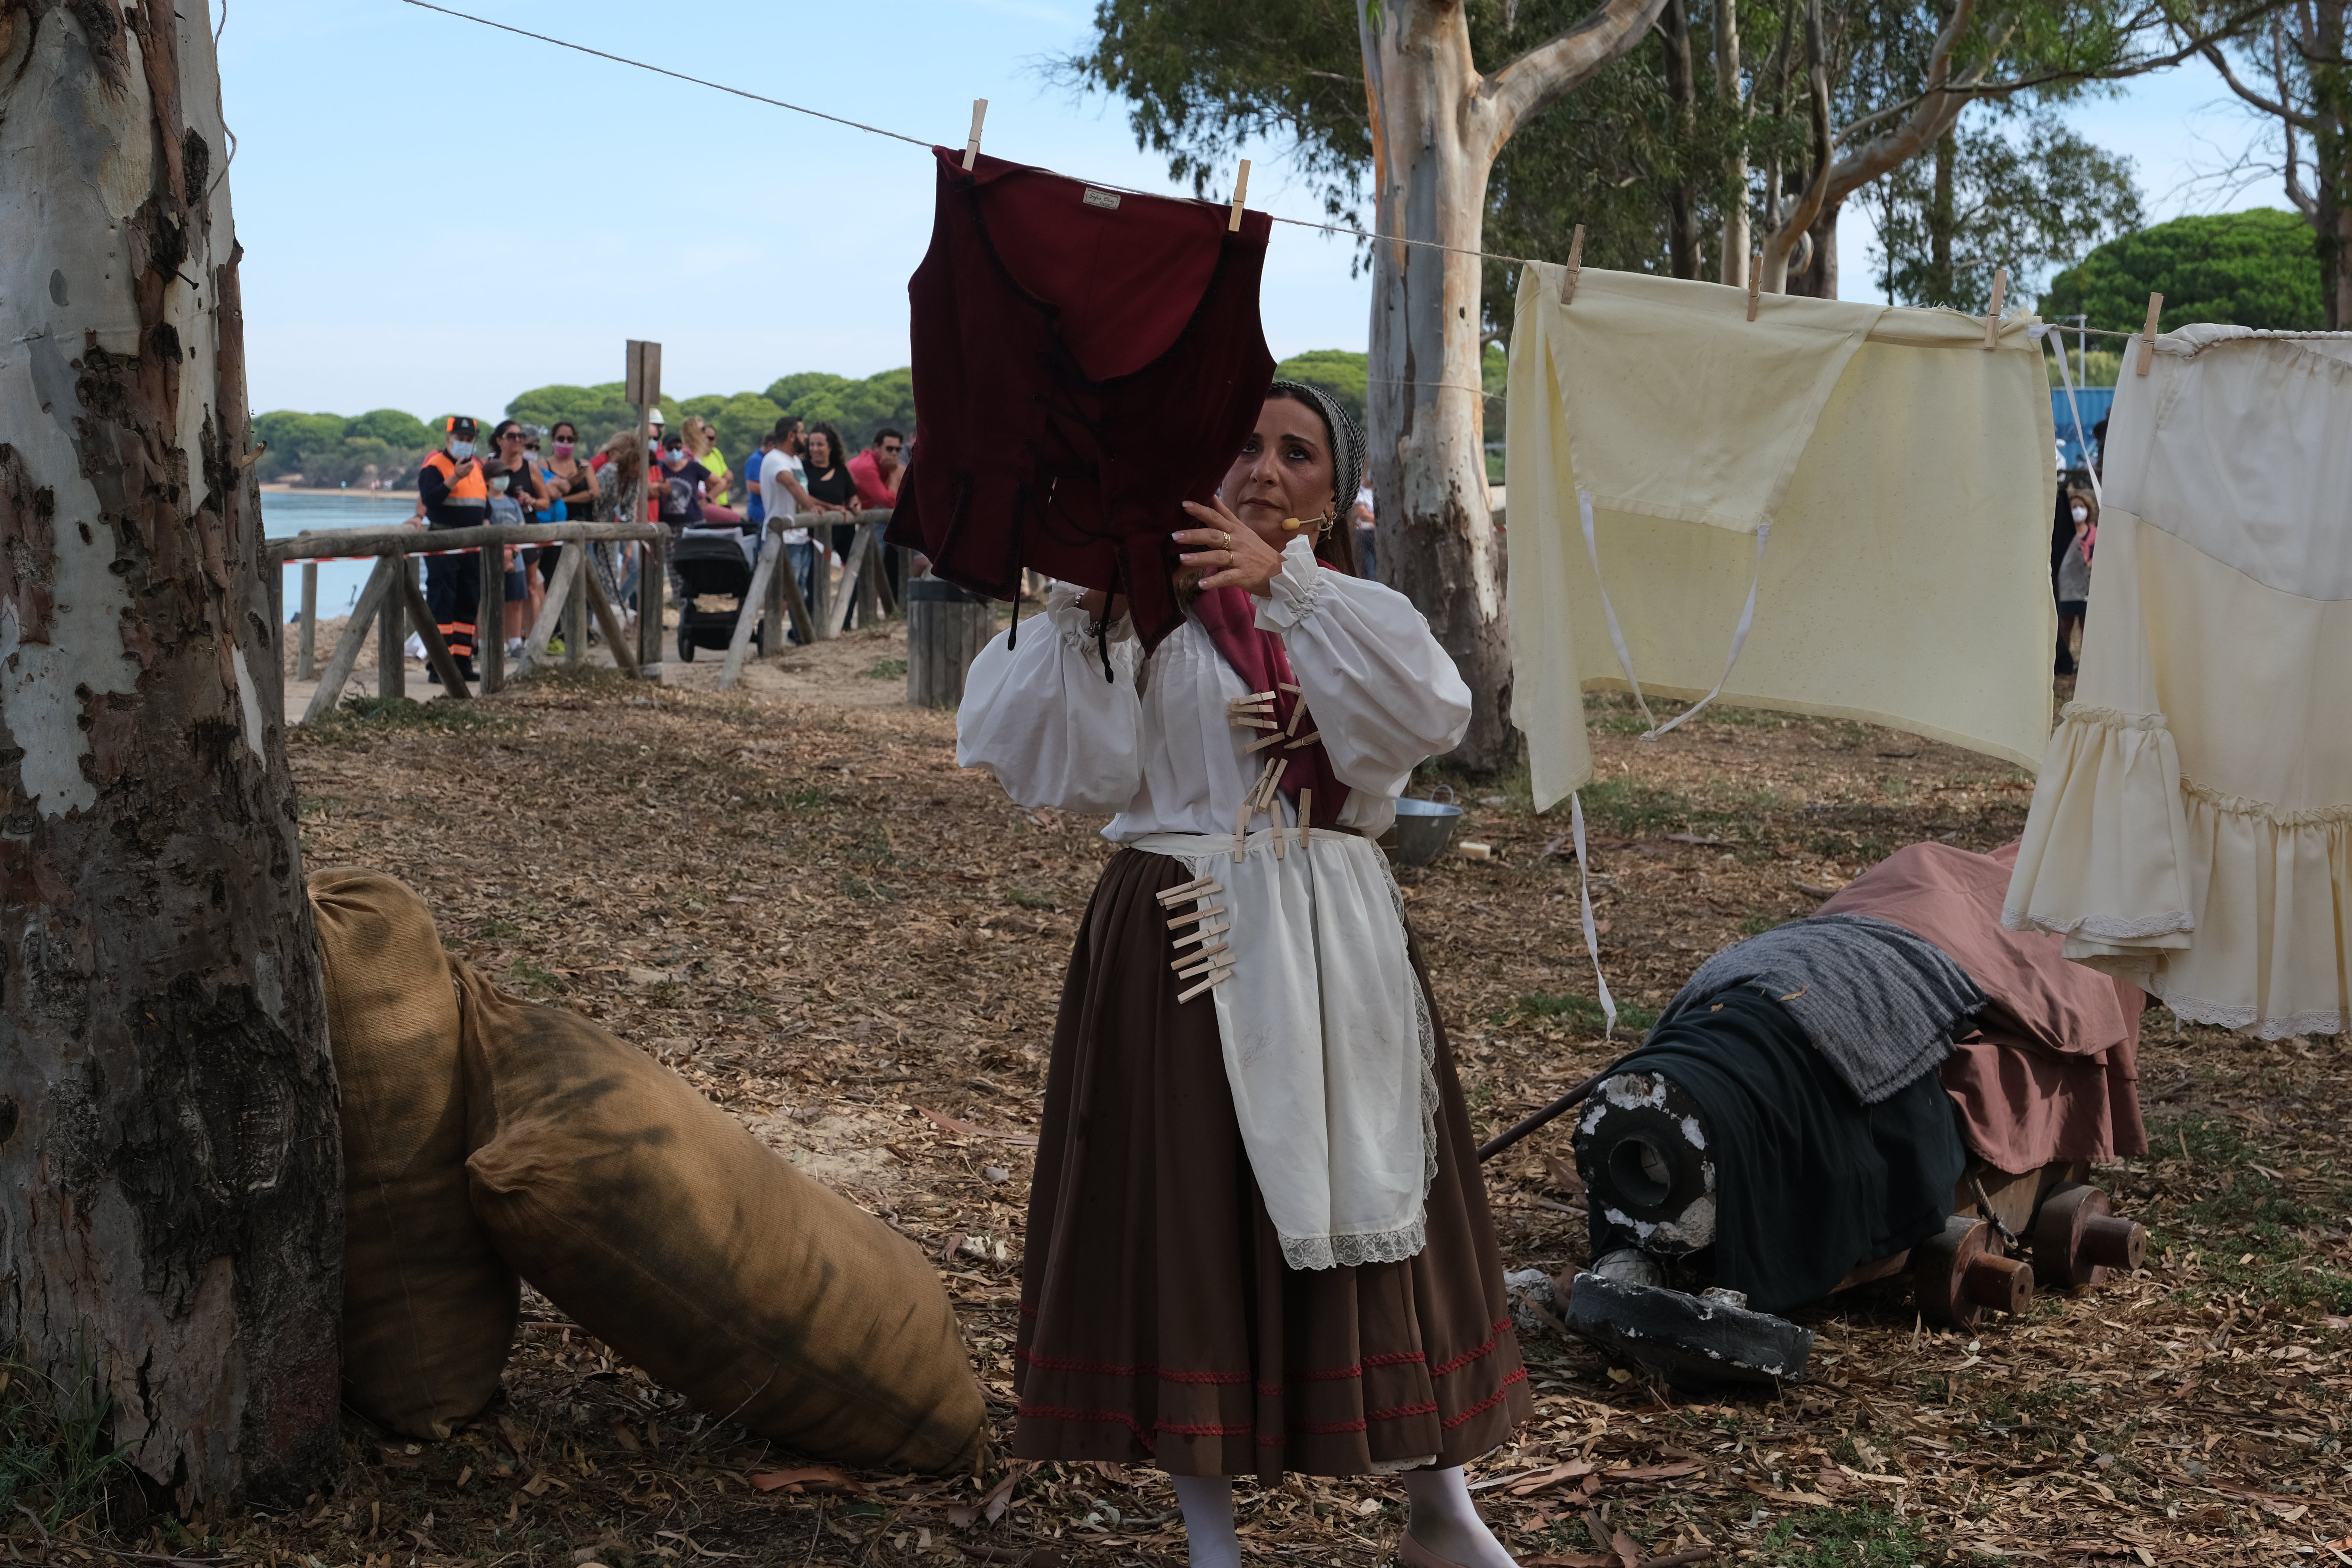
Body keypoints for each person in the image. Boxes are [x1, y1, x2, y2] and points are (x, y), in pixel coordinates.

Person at [956, 382, 1526, 1568]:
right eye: (1244, 446)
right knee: (1192, 1226)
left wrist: (1283, 588)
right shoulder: (1143, 610)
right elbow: (1068, 766)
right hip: (1186, 929)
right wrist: (1088, 609)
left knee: (1385, 1207)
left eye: (1298, 454)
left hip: (1337, 938)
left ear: (1331, 490)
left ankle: (1440, 1507)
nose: (1265, 470)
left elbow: (1431, 710)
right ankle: (1208, 1535)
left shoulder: (1345, 608)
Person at [418, 416, 490, 680]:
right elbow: (429, 499)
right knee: (442, 604)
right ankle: (439, 666)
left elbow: (484, 502)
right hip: (443, 543)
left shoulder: (478, 466)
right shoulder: (435, 465)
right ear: (448, 439)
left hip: (471, 546)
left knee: (467, 604)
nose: (465, 444)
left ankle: (462, 664)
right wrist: (454, 479)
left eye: (470, 440)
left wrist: (485, 522)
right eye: (460, 439)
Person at [759, 415, 840, 636]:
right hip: (783, 539)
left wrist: (830, 506)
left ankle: (795, 635)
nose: (806, 437)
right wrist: (811, 507)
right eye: (803, 433)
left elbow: (804, 494)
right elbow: (790, 484)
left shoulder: (794, 460)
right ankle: (769, 636)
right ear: (792, 435)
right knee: (785, 592)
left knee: (796, 590)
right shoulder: (776, 459)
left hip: (800, 537)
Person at [488, 420, 553, 652]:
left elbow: (546, 503)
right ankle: (502, 640)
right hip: (496, 535)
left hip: (526, 531)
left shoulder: (531, 469)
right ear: (500, 440)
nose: (518, 441)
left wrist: (532, 500)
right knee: (498, 589)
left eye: (521, 436)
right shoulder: (489, 465)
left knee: (531, 587)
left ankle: (532, 642)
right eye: (512, 436)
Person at [802, 423, 863, 624]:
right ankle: (813, 627)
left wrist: (855, 504)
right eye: (812, 444)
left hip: (843, 530)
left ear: (830, 447)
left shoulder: (841, 470)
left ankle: (843, 623)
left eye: (820, 445)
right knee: (814, 580)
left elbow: (852, 496)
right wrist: (831, 508)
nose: (815, 449)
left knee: (854, 574)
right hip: (814, 533)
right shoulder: (802, 468)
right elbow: (804, 498)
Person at [849, 429, 908, 602]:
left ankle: (890, 607)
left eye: (898, 450)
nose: (894, 454)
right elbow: (889, 501)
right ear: (876, 447)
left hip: (868, 519)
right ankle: (869, 613)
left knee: (879, 566)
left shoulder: (884, 465)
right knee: (873, 567)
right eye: (890, 449)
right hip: (856, 521)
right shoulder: (866, 467)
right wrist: (892, 473)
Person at [2055, 485, 2095, 675]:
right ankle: (2064, 662)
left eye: (2081, 506)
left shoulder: (2096, 534)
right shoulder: (2065, 535)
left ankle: (2089, 665)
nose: (2078, 511)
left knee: (2088, 629)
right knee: (2065, 628)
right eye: (2074, 507)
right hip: (2067, 589)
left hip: (2088, 590)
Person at [683, 415, 743, 526]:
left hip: (708, 502)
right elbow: (712, 485)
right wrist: (708, 500)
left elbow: (728, 479)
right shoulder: (687, 456)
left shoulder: (701, 456)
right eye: (703, 430)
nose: (706, 435)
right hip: (695, 504)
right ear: (692, 433)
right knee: (735, 520)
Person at [1349, 482, 1377, 580]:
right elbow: (1364, 515)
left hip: (1379, 536)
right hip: (1365, 535)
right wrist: (1380, 518)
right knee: (1368, 572)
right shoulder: (1361, 490)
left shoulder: (1381, 489)